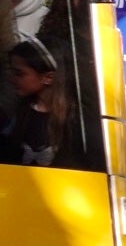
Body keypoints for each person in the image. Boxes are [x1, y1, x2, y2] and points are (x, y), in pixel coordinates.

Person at [0, 36, 81, 167]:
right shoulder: (16, 114)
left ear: (48, 77)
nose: (12, 79)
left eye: (19, 74)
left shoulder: (74, 118)